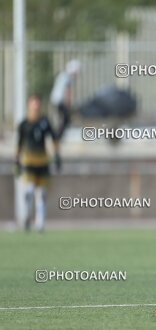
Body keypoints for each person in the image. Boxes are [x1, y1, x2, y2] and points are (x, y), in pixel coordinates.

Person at [16, 94, 61, 232]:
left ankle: (40, 223)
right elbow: (20, 144)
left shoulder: (45, 122)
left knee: (41, 194)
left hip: (42, 161)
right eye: (33, 103)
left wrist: (57, 155)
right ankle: (27, 216)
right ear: (29, 105)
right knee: (29, 191)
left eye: (37, 103)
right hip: (29, 161)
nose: (35, 106)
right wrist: (17, 161)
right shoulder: (24, 124)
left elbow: (54, 138)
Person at [50, 59, 81, 139]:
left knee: (64, 118)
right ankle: (58, 135)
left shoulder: (63, 75)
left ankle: (59, 134)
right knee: (66, 118)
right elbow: (68, 91)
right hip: (60, 101)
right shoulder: (68, 77)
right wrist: (68, 104)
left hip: (55, 100)